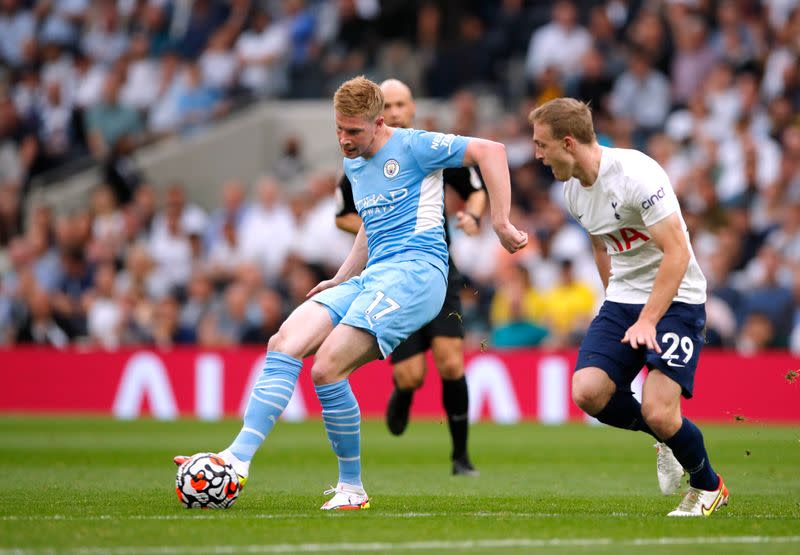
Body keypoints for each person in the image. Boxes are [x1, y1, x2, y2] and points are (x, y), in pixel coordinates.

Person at [176, 76, 528, 510]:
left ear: (380, 123)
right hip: (373, 274)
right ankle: (236, 459)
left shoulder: (415, 145)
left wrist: (500, 220)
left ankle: (351, 488)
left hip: (419, 273)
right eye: (338, 129)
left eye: (354, 131)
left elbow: (491, 151)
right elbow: (370, 225)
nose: (344, 140)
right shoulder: (355, 162)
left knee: (326, 368)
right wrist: (342, 276)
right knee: (284, 341)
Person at [529, 98, 728, 517]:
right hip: (624, 298)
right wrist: (612, 299)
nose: (537, 155)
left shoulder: (637, 174)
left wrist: (648, 320)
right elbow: (602, 245)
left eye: (542, 145)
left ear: (568, 143)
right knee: (588, 391)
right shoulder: (572, 192)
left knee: (659, 409)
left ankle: (708, 487)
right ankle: (666, 440)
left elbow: (676, 252)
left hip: (676, 298)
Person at [335, 79, 486, 476]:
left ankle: (461, 457)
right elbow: (343, 215)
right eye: (390, 103)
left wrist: (473, 213)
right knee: (411, 374)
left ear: (412, 108)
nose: (397, 110)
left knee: (452, 363)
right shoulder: (358, 158)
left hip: (436, 270)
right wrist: (382, 221)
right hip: (388, 272)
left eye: (402, 103)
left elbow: (475, 187)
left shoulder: (425, 148)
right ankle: (403, 391)